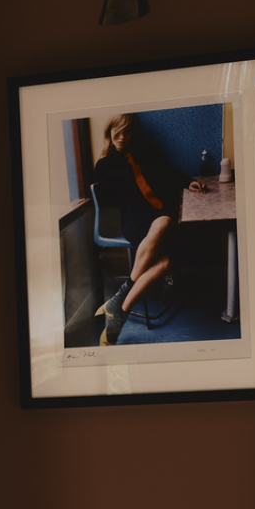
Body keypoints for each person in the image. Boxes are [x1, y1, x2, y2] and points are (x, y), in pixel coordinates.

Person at [88, 113, 204, 345]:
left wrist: (186, 182)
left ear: (134, 134)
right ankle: (121, 299)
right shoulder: (104, 165)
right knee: (165, 222)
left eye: (127, 132)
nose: (122, 137)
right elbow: (106, 205)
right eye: (118, 131)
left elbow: (166, 173)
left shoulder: (143, 154)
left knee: (166, 263)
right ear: (109, 131)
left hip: (155, 213)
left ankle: (119, 312)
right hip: (134, 219)